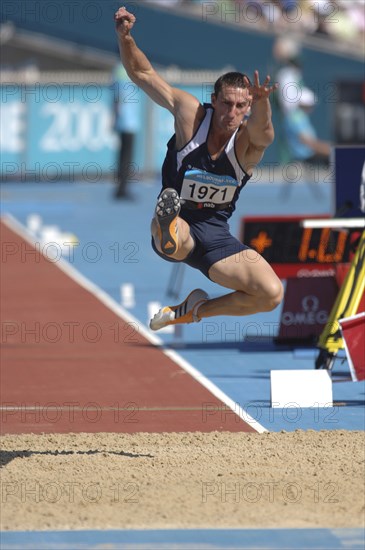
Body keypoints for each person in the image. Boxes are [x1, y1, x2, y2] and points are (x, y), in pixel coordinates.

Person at [115, 6, 284, 331]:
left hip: (217, 237)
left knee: (270, 294)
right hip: (181, 227)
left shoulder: (246, 143)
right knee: (175, 238)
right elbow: (144, 75)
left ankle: (192, 310)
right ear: (213, 100)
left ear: (247, 108)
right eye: (226, 103)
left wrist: (262, 103)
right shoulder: (191, 116)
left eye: (240, 106)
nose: (231, 112)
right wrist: (126, 38)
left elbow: (265, 133)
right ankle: (164, 225)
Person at [112, 61, 141, 199]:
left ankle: (121, 187)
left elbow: (116, 96)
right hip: (129, 120)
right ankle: (122, 189)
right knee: (126, 156)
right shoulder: (130, 68)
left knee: (122, 155)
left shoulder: (118, 70)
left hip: (123, 120)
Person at [282, 87, 331, 167]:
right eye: (311, 105)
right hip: (303, 159)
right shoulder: (296, 117)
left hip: (308, 157)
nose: (312, 108)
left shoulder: (299, 116)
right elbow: (306, 141)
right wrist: (330, 150)